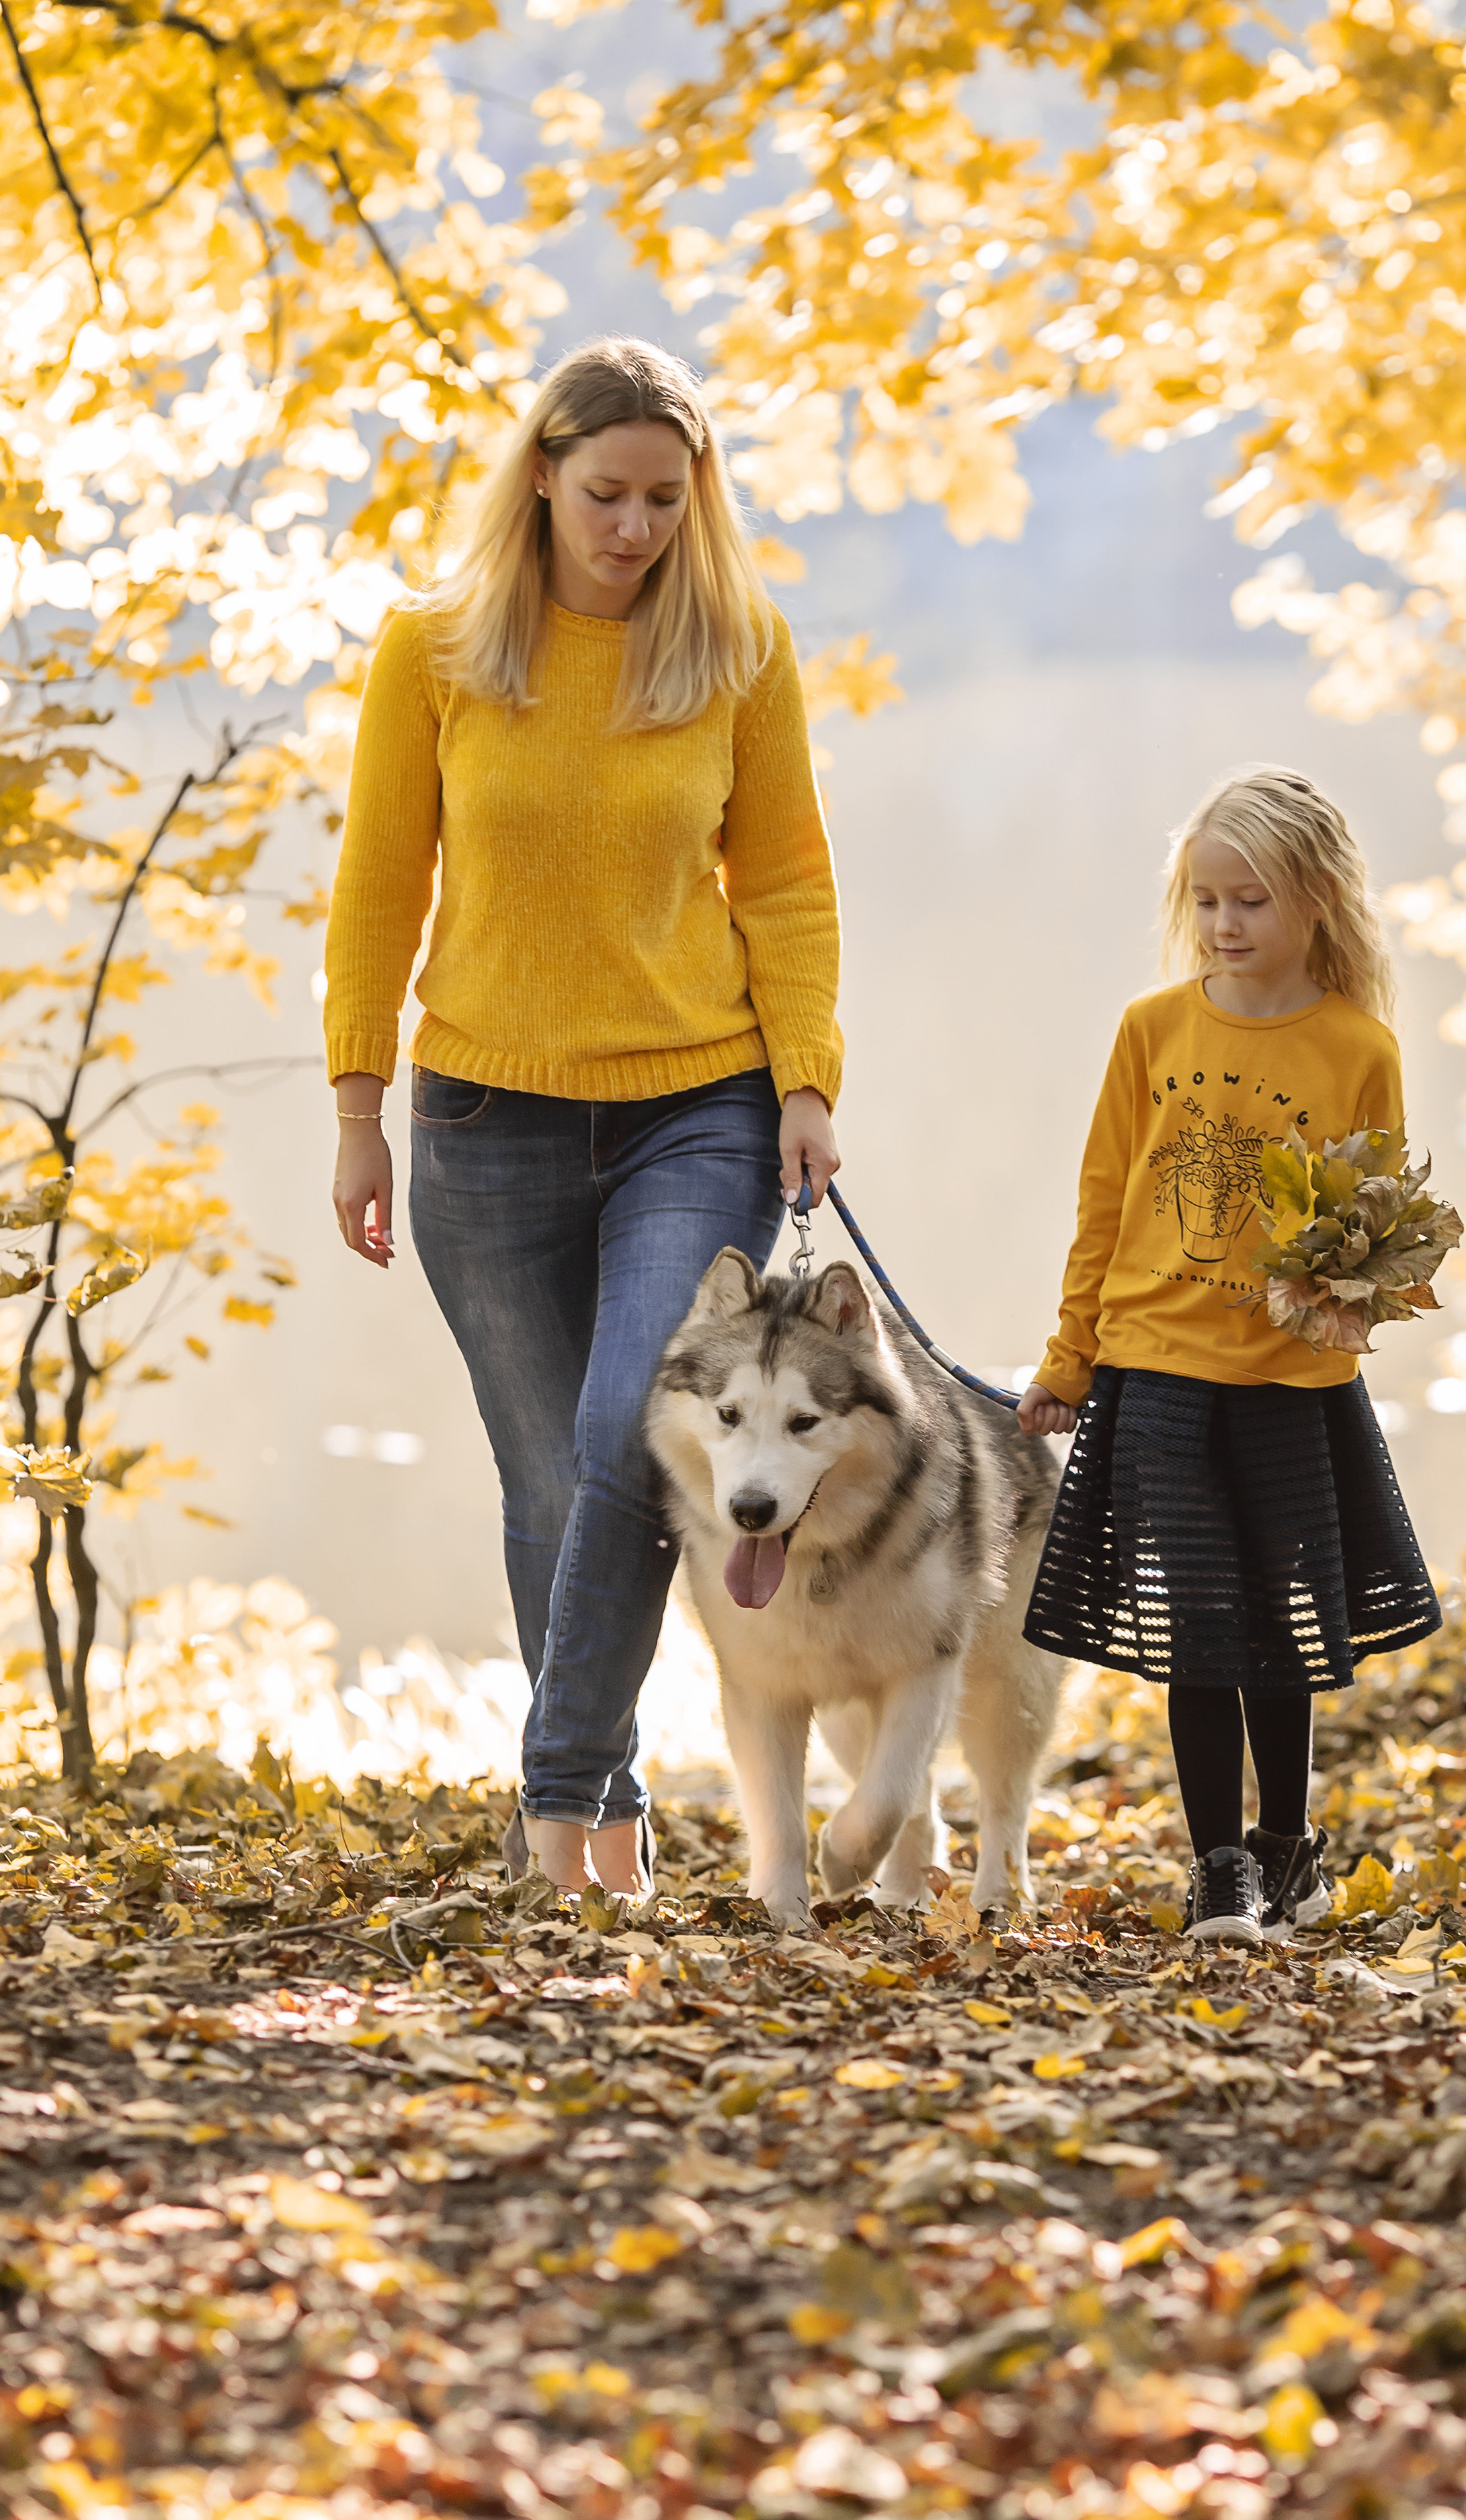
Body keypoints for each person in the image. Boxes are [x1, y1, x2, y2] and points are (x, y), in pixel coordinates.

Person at [324, 336, 843, 1897]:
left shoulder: (737, 648)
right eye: (606, 493)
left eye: (664, 500)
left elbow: (788, 884)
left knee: (631, 1437)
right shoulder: (434, 649)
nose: (633, 527)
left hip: (698, 1106)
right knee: (553, 1487)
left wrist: (805, 1079)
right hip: (484, 1121)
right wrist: (358, 1106)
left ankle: (552, 1814)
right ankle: (606, 1823)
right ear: (541, 477)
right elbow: (377, 887)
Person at [1016, 765, 1440, 1945]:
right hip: (1157, 1370)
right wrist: (1070, 1357)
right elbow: (1104, 1201)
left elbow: (1373, 1222)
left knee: (1280, 1620)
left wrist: (1351, 1299)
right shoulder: (1151, 1029)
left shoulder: (1359, 1046)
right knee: (1193, 1623)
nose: (1224, 924)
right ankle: (1218, 1868)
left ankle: (1288, 1845)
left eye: (1250, 900)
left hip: (1290, 1386)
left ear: (1317, 899)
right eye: (1206, 901)